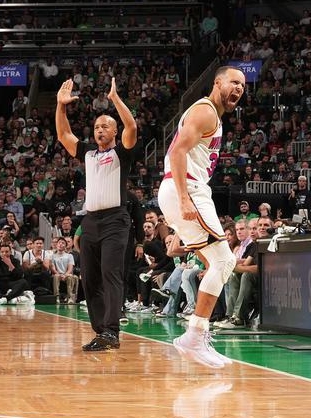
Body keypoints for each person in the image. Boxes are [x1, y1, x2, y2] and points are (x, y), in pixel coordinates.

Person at [158, 65, 245, 368]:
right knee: (225, 261)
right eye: (233, 82)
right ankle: (194, 337)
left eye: (243, 85)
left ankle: (197, 334)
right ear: (217, 82)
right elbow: (176, 152)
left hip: (184, 188)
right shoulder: (205, 111)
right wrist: (184, 198)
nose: (239, 88)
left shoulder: (212, 116)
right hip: (187, 187)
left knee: (214, 263)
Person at [56, 77, 137, 351]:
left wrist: (115, 99)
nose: (100, 130)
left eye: (105, 126)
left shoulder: (122, 153)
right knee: (89, 279)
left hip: (116, 220)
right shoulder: (88, 153)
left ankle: (112, 331)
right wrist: (60, 106)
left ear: (114, 131)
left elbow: (132, 127)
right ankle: (101, 331)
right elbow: (63, 135)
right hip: (90, 221)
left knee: (110, 274)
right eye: (96, 127)